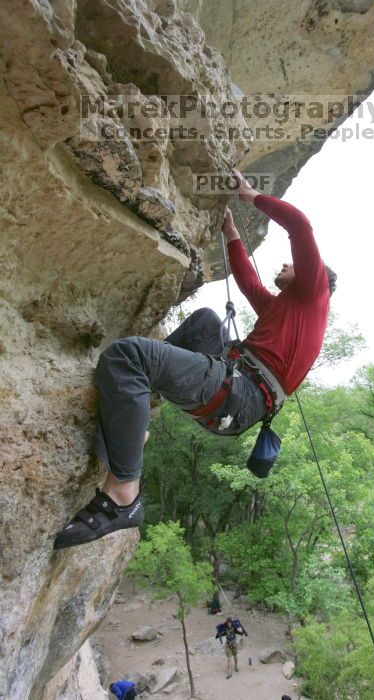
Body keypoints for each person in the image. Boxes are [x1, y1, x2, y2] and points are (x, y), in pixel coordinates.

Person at [53, 170, 335, 550]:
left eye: (292, 265)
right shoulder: (283, 307)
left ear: (314, 277)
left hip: (241, 393)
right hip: (240, 387)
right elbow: (249, 282)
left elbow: (299, 227)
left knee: (128, 356)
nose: (285, 264)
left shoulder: (314, 292)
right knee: (206, 321)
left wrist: (249, 195)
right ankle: (137, 415)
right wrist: (231, 231)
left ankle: (123, 495)